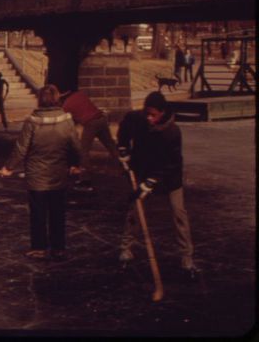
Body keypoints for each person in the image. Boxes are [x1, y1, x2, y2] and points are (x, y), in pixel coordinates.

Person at [116, 91, 199, 277]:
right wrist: (123, 149)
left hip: (169, 176)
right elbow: (124, 129)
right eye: (147, 113)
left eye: (153, 114)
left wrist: (151, 182)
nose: (149, 118)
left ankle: (187, 257)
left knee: (179, 213)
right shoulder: (137, 118)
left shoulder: (172, 132)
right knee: (135, 209)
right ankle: (126, 248)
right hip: (142, 170)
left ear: (162, 112)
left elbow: (171, 163)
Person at [1, 85, 82, 261]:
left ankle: (39, 248)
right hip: (59, 175)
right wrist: (75, 164)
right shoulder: (67, 120)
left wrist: (9, 167)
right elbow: (75, 146)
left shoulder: (32, 122)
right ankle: (58, 248)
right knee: (57, 213)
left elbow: (21, 148)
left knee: (38, 214)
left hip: (37, 177)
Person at [56, 88, 119, 192]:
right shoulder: (79, 94)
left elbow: (69, 124)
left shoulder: (66, 106)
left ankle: (85, 181)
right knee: (111, 146)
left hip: (91, 123)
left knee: (83, 152)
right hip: (101, 119)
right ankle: (126, 168)